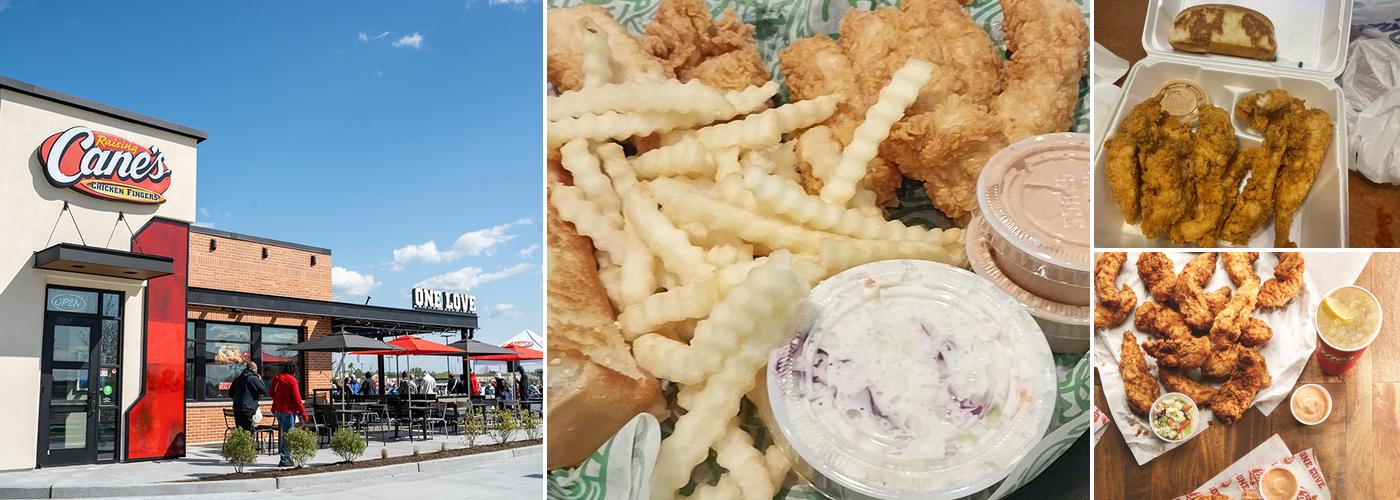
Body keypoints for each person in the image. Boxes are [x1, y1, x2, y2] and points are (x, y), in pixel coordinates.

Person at [269, 361, 309, 467]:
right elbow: (297, 399)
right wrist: (304, 414)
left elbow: (270, 393)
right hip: (289, 411)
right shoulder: (292, 381)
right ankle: (285, 459)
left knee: (285, 434)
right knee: (289, 435)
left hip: (278, 410)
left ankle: (285, 457)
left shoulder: (277, 378)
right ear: (294, 370)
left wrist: (278, 399)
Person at [228, 361, 267, 433]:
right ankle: (248, 444)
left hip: (237, 408)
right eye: (256, 369)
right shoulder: (253, 378)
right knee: (248, 431)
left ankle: (241, 444)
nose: (257, 371)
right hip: (248, 409)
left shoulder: (237, 379)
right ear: (252, 369)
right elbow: (263, 390)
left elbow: (230, 394)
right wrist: (260, 380)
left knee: (240, 431)